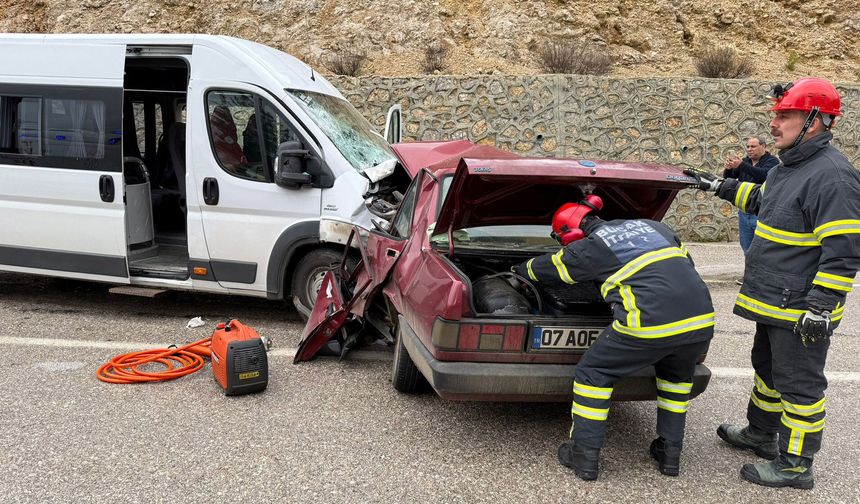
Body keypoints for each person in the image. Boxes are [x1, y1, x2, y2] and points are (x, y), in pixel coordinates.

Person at [685, 77, 860, 489]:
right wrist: (720, 187)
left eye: (785, 115)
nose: (774, 124)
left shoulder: (832, 177)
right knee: (767, 370)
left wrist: (820, 307)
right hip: (776, 301)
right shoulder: (791, 167)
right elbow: (766, 203)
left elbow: (845, 249)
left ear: (814, 121)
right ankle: (762, 434)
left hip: (801, 307)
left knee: (799, 385)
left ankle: (797, 465)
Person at [512, 195, 715, 481]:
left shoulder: (591, 247)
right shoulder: (654, 227)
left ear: (571, 233)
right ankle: (670, 454)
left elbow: (550, 269)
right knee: (676, 383)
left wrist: (520, 270)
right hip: (700, 319)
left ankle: (584, 455)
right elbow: (681, 266)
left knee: (593, 372)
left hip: (649, 323)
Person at [723, 136, 780, 284]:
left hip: (761, 212)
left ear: (763, 147)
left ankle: (766, 276)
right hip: (744, 211)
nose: (749, 149)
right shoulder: (745, 162)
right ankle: (750, 276)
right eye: (748, 146)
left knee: (762, 246)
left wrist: (741, 165)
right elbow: (731, 177)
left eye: (753, 146)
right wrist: (728, 169)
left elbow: (764, 175)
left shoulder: (772, 162)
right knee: (747, 246)